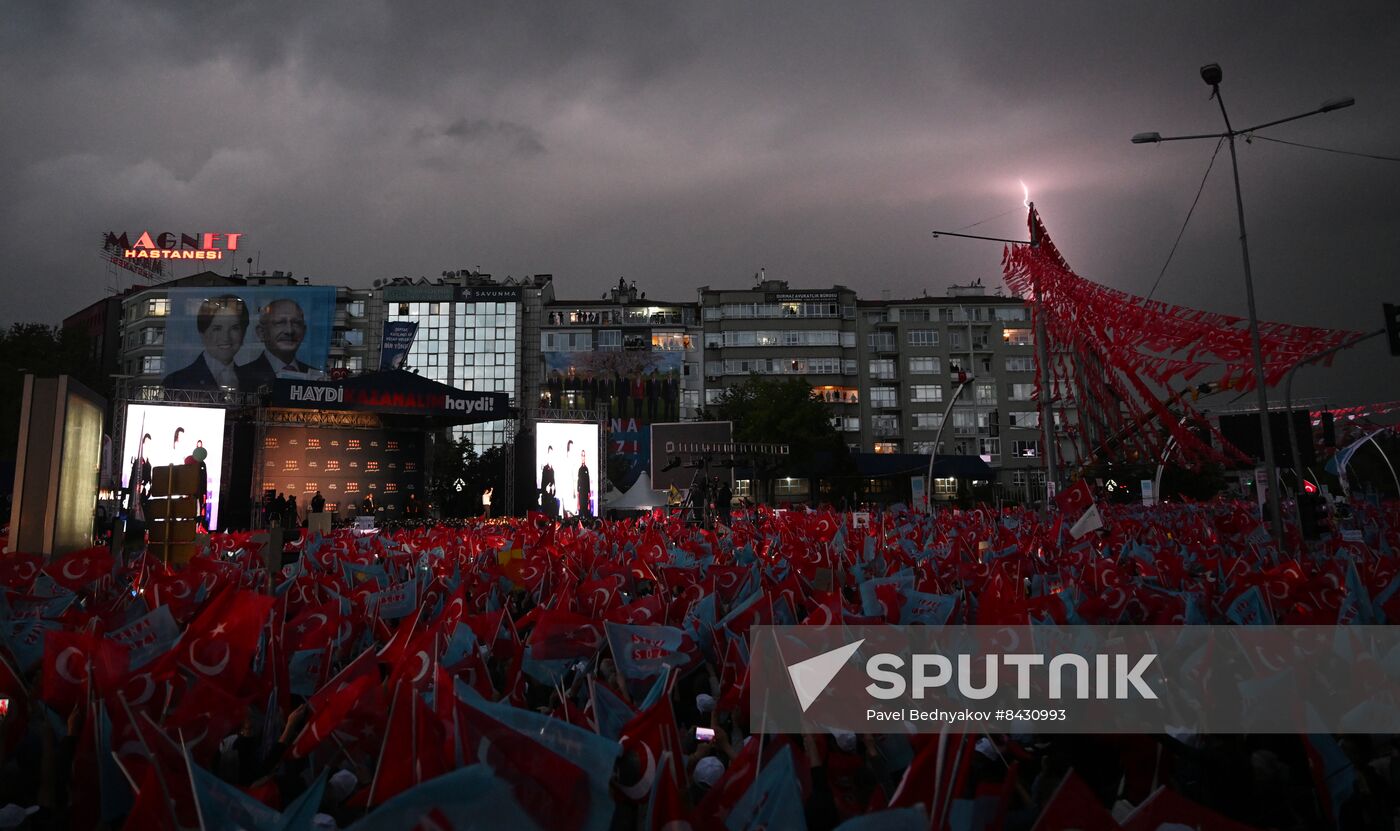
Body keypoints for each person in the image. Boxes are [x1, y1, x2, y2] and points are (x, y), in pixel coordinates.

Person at [163, 295, 250, 390]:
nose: (226, 337)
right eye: (217, 329)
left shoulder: (252, 380)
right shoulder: (175, 382)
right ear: (202, 334)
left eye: (234, 328)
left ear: (243, 333)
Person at [237, 298, 326, 390]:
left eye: (296, 323)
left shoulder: (316, 377)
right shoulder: (241, 375)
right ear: (262, 332)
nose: (289, 331)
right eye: (280, 323)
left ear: (304, 331)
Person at [539, 446, 557, 518]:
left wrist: (553, 488)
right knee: (546, 513)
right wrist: (546, 488)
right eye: (549, 454)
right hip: (546, 496)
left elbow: (553, 481)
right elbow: (544, 482)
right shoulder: (545, 468)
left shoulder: (552, 469)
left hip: (551, 496)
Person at [577, 451, 592, 518]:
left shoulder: (586, 468)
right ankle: (581, 516)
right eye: (582, 455)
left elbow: (588, 480)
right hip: (581, 490)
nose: (583, 457)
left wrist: (588, 491)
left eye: (584, 455)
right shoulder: (580, 469)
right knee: (581, 504)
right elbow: (578, 479)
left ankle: (586, 517)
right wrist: (578, 489)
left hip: (585, 491)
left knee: (586, 504)